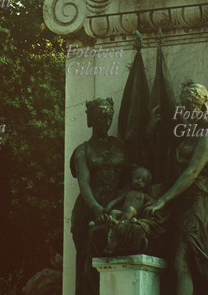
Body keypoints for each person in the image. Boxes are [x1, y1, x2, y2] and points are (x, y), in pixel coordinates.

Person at [146, 83, 208, 295]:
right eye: (184, 107)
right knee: (182, 260)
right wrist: (152, 131)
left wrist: (163, 200)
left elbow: (191, 172)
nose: (185, 112)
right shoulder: (192, 133)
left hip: (200, 202)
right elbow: (169, 160)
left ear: (203, 105)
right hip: (184, 201)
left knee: (182, 259)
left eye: (189, 107)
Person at [70, 97, 128, 295]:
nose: (106, 121)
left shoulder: (120, 146)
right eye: (101, 117)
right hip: (89, 211)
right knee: (89, 268)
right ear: (91, 120)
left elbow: (130, 178)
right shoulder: (83, 151)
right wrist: (96, 208)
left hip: (115, 209)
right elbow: (84, 183)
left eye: (109, 117)